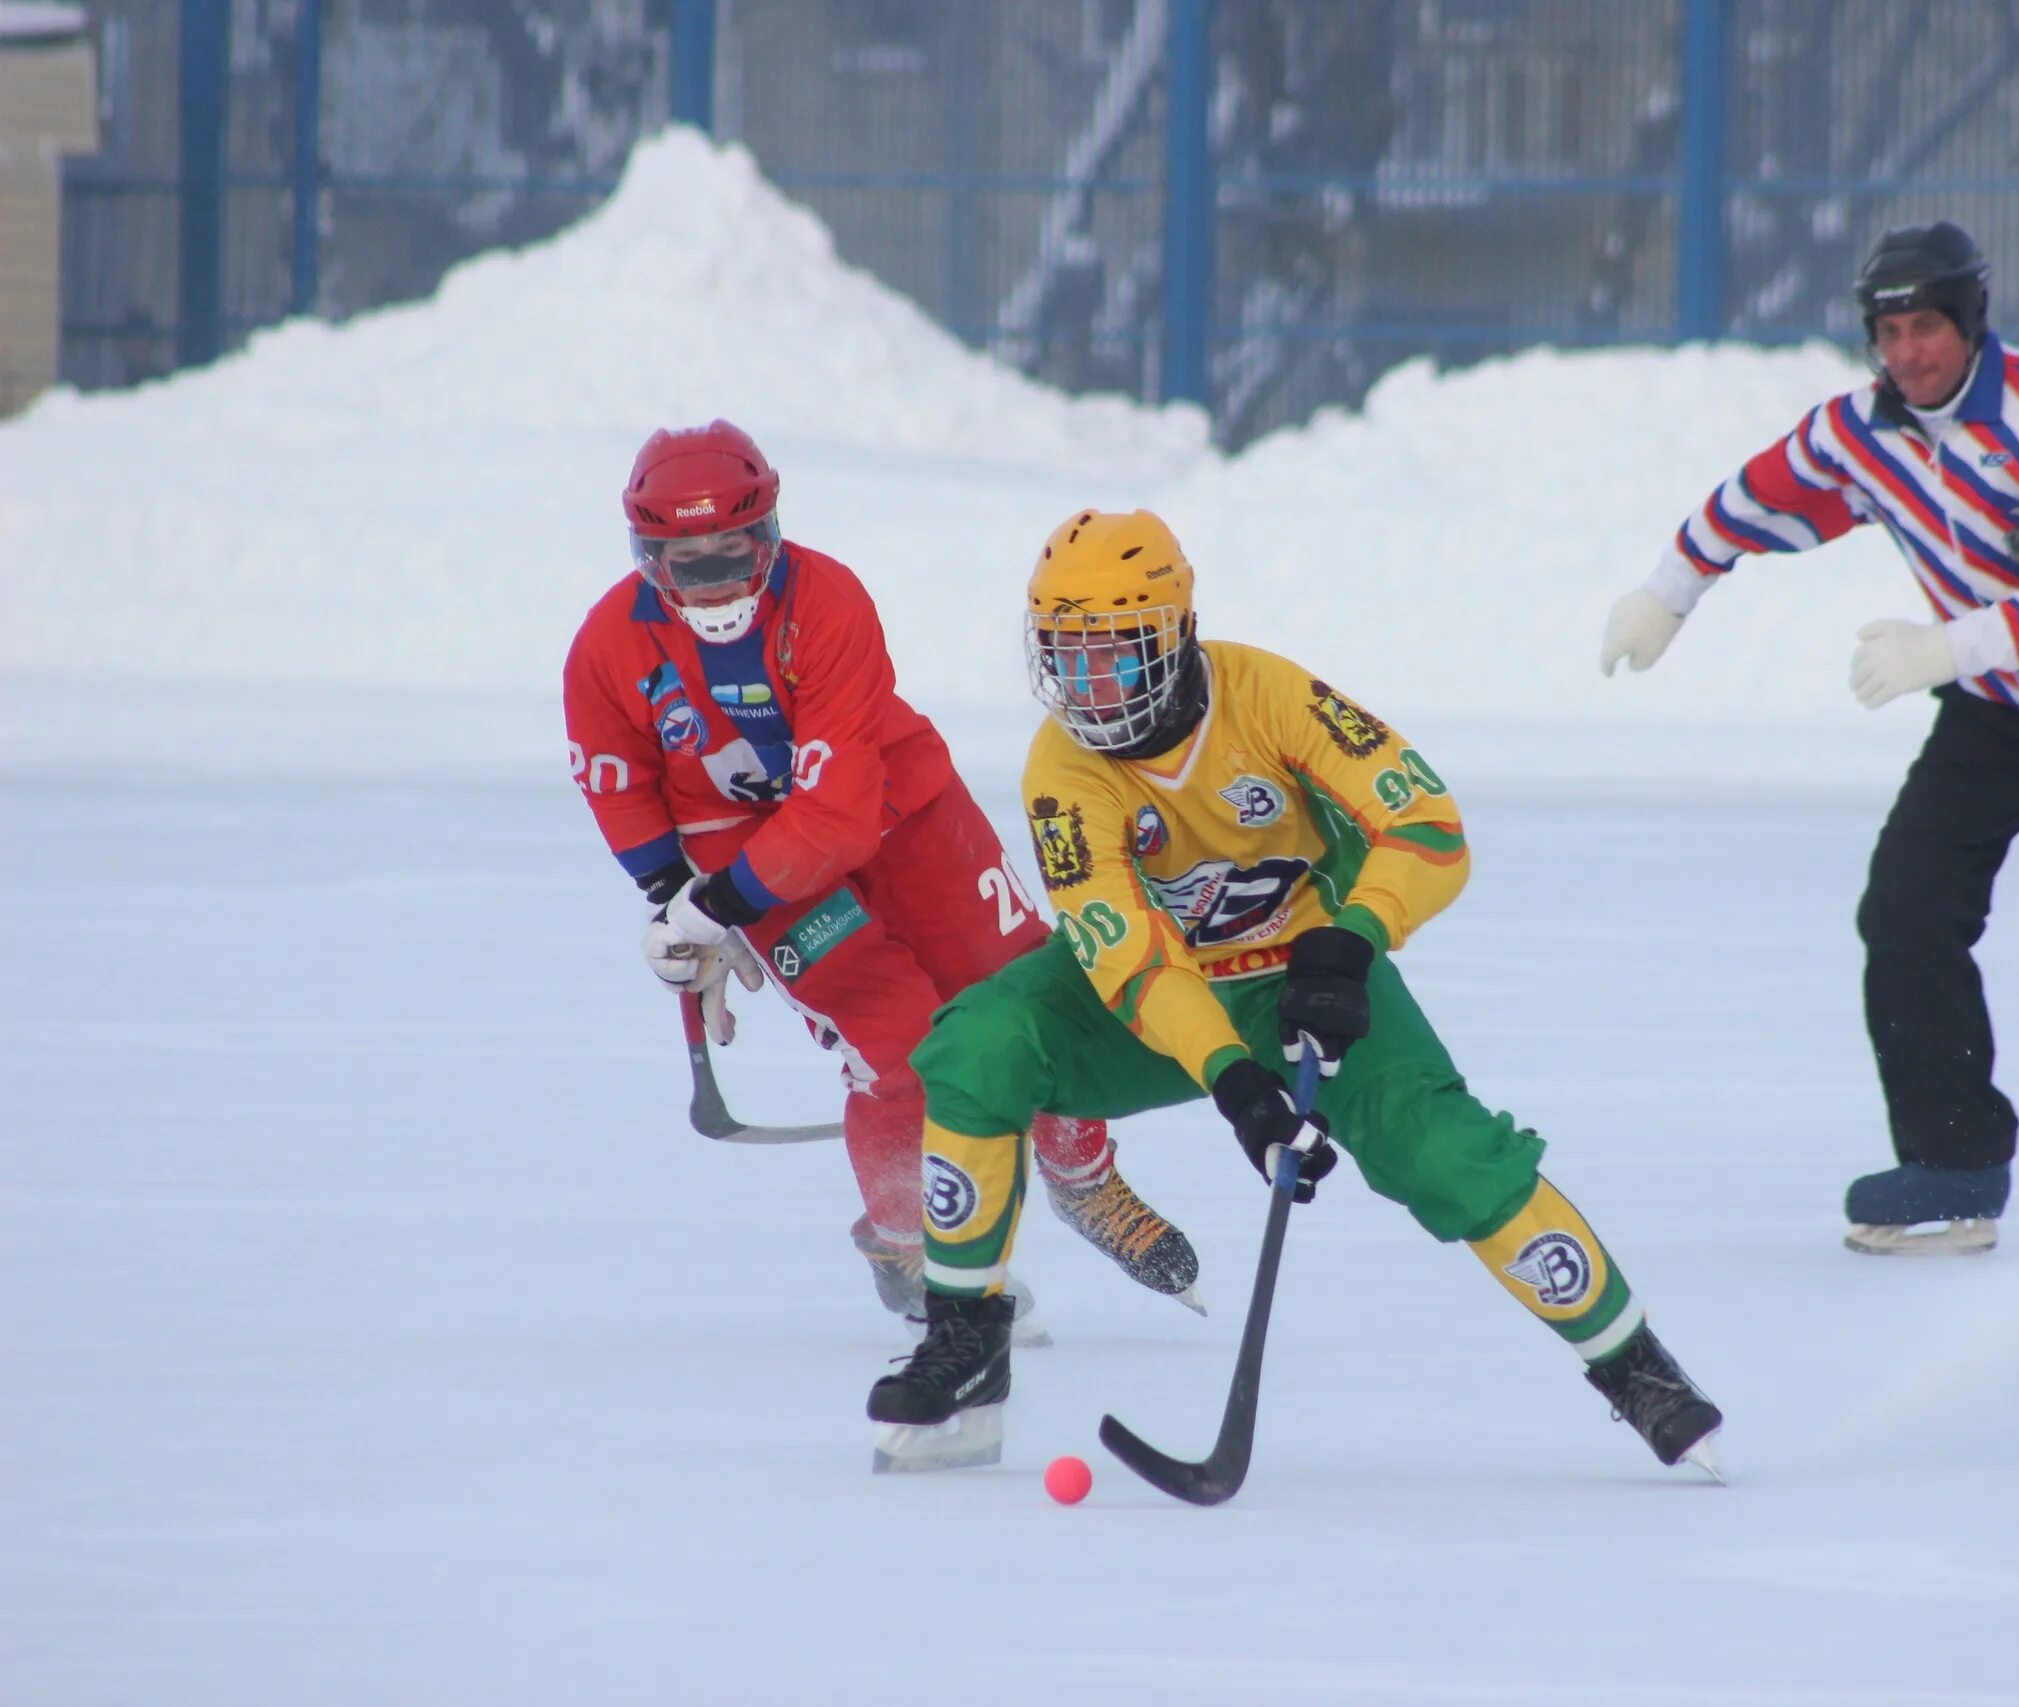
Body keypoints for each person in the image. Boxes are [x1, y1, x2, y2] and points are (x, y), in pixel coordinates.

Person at [863, 508, 1723, 1477]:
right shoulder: (1062, 772)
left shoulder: (1268, 695)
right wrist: (1236, 1083)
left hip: (1316, 981)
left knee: (1446, 1157)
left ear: (1177, 633)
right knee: (980, 1043)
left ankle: (1633, 1365)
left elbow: (1429, 825)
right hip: (1160, 1003)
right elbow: (1128, 956)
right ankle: (966, 1341)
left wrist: (1350, 941)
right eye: (1067, 656)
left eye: (1118, 655)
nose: (1089, 688)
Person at [1600, 222, 2019, 1255]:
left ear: (1971, 323)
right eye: (1889, 331)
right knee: (1904, 909)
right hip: (1994, 711)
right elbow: (1753, 498)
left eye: (1927, 328)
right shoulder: (1859, 434)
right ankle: (1955, 1159)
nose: (1908, 352)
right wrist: (1666, 594)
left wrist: (1943, 647)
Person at [564, 421, 1201, 1323]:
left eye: (734, 552)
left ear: (771, 534)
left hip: (899, 813)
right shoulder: (604, 649)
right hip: (745, 858)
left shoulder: (828, 601)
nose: (715, 580)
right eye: (686, 561)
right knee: (899, 1051)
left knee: (1032, 991)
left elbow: (835, 810)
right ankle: (909, 1248)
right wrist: (676, 908)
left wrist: (716, 908)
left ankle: (1084, 1175)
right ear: (646, 556)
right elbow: (620, 785)